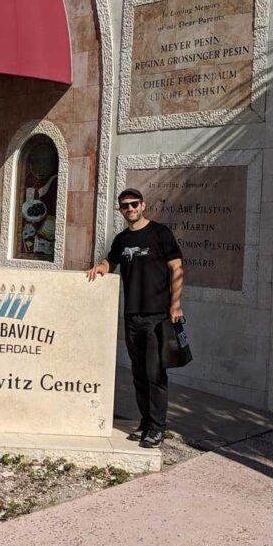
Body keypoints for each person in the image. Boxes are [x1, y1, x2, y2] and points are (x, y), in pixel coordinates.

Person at [87, 188, 183, 448]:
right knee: (138, 373)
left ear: (143, 205)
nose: (129, 209)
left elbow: (176, 267)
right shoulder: (121, 240)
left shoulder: (160, 233)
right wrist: (101, 268)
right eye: (124, 206)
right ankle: (146, 422)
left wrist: (175, 305)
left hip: (157, 316)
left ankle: (157, 428)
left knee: (155, 373)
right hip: (132, 317)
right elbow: (111, 261)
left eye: (133, 204)